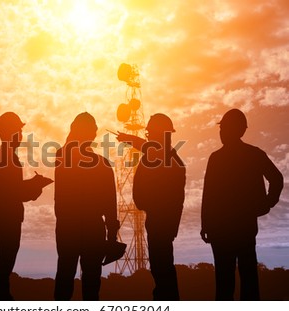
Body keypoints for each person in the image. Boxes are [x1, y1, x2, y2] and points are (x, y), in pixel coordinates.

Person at [200, 108, 283, 300]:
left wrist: (267, 203)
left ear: (236, 130)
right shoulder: (252, 155)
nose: (221, 133)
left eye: (224, 128)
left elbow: (208, 194)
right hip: (238, 227)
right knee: (245, 279)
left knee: (226, 281)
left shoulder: (219, 158)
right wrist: (267, 203)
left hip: (225, 229)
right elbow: (209, 193)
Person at [118, 113, 186, 300]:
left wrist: (130, 139)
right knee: (161, 267)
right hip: (161, 222)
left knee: (161, 267)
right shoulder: (168, 157)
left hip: (160, 222)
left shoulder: (167, 158)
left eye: (152, 133)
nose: (149, 137)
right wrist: (130, 139)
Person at [54, 112, 120, 300]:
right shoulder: (102, 164)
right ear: (92, 134)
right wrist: (112, 235)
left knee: (65, 277)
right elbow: (110, 204)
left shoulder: (63, 156)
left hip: (68, 228)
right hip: (92, 229)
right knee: (91, 283)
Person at [0, 111, 52, 300]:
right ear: (10, 133)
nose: (21, 136)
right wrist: (36, 186)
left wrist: (32, 184)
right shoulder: (6, 157)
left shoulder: (4, 156)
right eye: (18, 131)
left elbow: (12, 189)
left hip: (4, 218)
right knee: (6, 263)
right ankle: (2, 300)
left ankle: (2, 298)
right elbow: (14, 192)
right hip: (8, 219)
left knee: (5, 262)